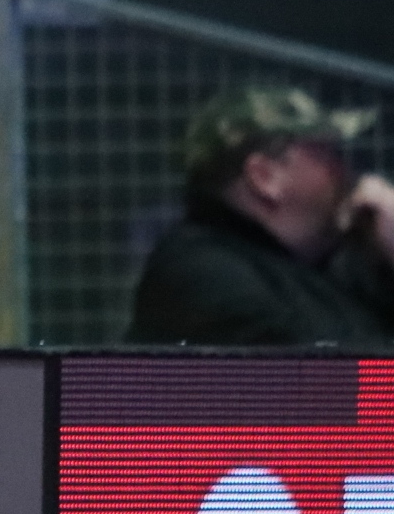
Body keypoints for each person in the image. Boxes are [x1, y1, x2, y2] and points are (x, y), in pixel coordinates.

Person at [128, 83, 394, 346]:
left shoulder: (325, 268)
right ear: (265, 176)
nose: (346, 171)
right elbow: (332, 379)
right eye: (327, 154)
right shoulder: (203, 276)